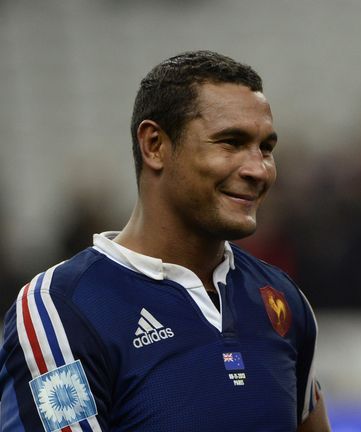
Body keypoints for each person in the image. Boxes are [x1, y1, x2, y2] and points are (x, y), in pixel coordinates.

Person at [0, 50, 330, 431]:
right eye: (231, 142)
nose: (259, 170)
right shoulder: (61, 308)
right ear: (154, 144)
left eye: (266, 148)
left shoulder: (283, 300)